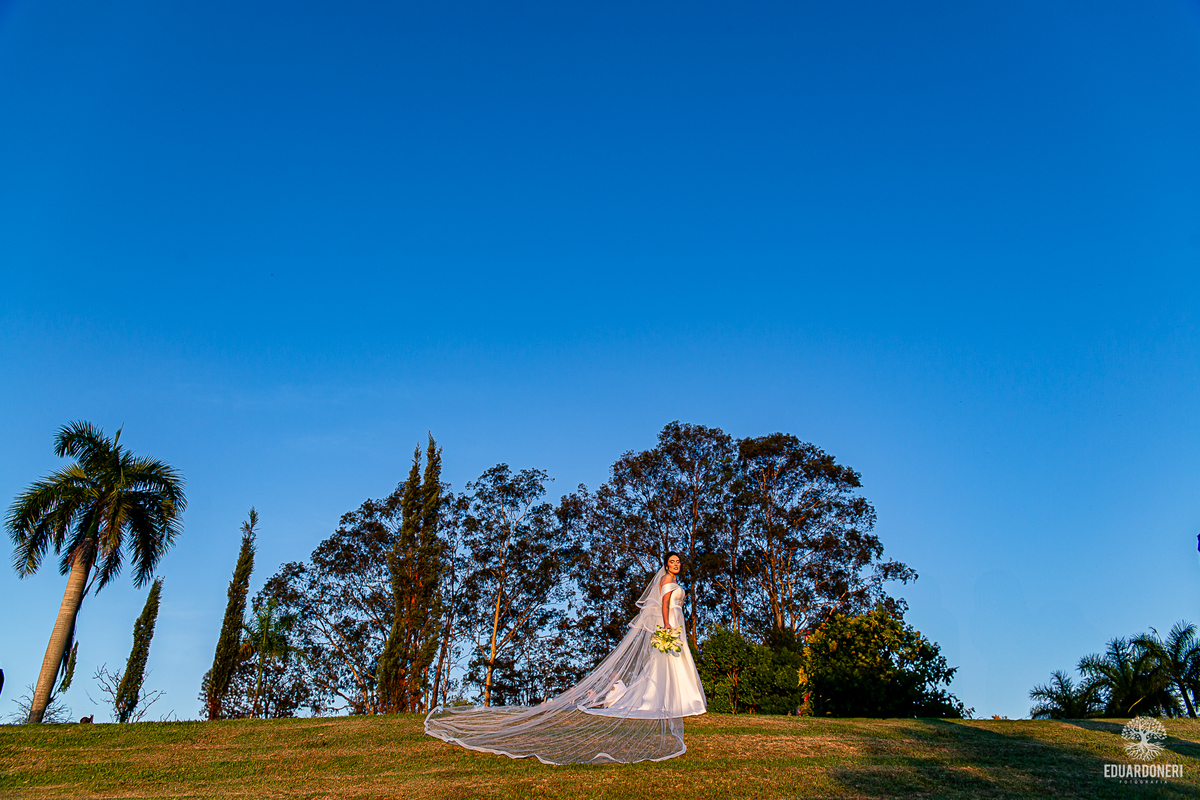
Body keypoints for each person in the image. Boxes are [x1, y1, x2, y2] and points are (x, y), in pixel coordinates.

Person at [424, 553, 707, 764]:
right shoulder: (668, 582)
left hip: (676, 622)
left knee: (673, 663)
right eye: (672, 562)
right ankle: (670, 701)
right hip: (671, 623)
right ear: (666, 566)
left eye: (678, 562)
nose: (675, 565)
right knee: (666, 663)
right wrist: (668, 628)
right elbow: (666, 604)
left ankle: (677, 700)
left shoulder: (675, 580)